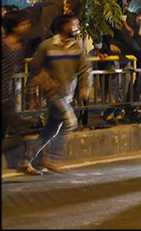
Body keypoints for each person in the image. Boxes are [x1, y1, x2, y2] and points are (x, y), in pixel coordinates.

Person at [18, 15, 92, 175]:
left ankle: (26, 160)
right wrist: (33, 92)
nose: (77, 27)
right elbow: (34, 68)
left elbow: (85, 68)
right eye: (74, 24)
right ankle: (52, 158)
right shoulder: (47, 46)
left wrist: (85, 85)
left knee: (51, 129)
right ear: (63, 26)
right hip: (52, 93)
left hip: (67, 94)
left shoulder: (77, 46)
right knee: (71, 122)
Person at [2, 10, 31, 150]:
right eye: (23, 24)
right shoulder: (3, 44)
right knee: (20, 130)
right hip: (3, 94)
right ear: (14, 27)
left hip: (8, 93)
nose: (27, 26)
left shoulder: (23, 44)